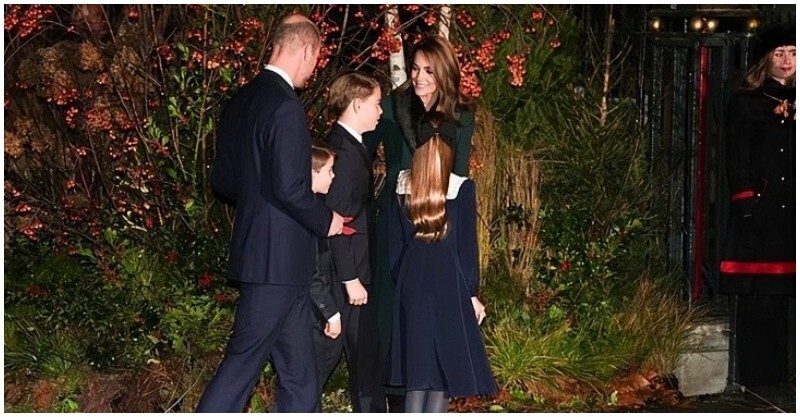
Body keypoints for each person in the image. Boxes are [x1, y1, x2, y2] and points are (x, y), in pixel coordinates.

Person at [196, 14, 345, 413]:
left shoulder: (241, 101)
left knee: (301, 378)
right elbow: (291, 188)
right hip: (275, 265)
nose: (314, 69)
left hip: (277, 263)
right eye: (317, 59)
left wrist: (260, 203)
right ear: (306, 50)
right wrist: (325, 220)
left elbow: (224, 181)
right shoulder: (284, 106)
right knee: (241, 368)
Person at [362, 35, 476, 411]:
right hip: (396, 228)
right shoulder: (393, 107)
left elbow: (459, 178)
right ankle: (394, 399)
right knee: (391, 315)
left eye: (428, 70)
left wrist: (463, 268)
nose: (419, 77)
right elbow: (361, 153)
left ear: (444, 72)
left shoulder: (461, 116)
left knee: (437, 326)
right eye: (415, 68)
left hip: (440, 230)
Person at [386, 113, 497, 413]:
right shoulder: (461, 187)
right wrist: (471, 292)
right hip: (449, 284)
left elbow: (394, 250)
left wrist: (405, 278)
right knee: (440, 376)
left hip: (412, 282)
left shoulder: (401, 185)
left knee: (418, 374)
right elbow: (466, 248)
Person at [719, 25, 795, 391]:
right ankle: (759, 380)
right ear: (766, 58)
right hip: (764, 210)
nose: (787, 60)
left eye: (793, 52)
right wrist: (746, 200)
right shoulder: (747, 101)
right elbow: (738, 155)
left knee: (788, 296)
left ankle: (787, 374)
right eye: (779, 53)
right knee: (761, 294)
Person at [312, 72, 384, 411]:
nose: (380, 111)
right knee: (351, 357)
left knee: (361, 356)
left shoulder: (350, 146)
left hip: (351, 269)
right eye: (376, 104)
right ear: (356, 105)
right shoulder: (343, 153)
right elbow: (336, 221)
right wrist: (350, 278)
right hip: (347, 274)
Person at [308, 144, 346, 396]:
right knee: (305, 384)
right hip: (310, 314)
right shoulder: (308, 214)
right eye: (329, 171)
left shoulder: (318, 208)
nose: (333, 177)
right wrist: (330, 312)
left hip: (315, 309)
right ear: (313, 172)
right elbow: (311, 270)